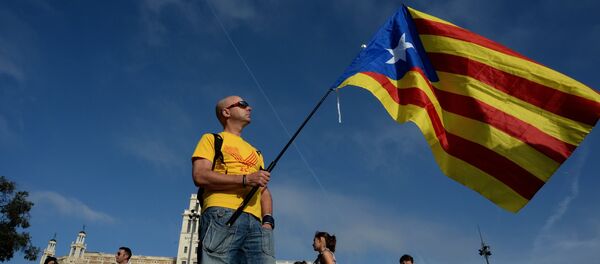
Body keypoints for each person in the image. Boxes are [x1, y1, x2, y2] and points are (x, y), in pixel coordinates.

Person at [192, 95, 275, 264]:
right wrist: (245, 179)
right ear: (226, 112)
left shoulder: (256, 152)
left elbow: (263, 189)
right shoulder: (212, 139)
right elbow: (200, 175)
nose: (249, 108)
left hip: (257, 223)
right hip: (222, 214)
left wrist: (268, 222)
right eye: (243, 104)